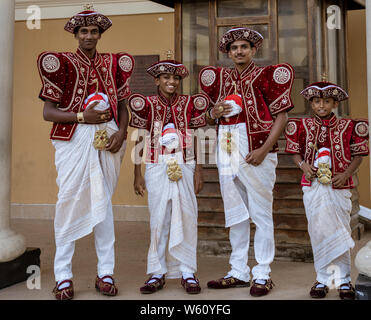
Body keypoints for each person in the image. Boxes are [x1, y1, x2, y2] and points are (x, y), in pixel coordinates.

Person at [36, 10, 134, 300]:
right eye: (84, 31)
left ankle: (105, 272)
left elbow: (124, 105)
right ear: (75, 34)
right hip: (74, 139)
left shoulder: (114, 63)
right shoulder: (62, 63)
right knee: (68, 203)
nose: (89, 36)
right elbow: (48, 112)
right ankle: (63, 276)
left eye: (94, 31)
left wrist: (122, 132)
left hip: (109, 139)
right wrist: (82, 116)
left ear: (100, 35)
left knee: (103, 206)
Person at [199, 27, 294, 297]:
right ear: (228, 53)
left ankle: (262, 273)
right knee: (236, 212)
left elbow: (282, 117)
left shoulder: (266, 76)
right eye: (234, 48)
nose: (238, 51)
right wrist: (212, 111)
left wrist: (264, 149)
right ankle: (238, 271)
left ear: (253, 50)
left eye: (244, 47)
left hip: (256, 150)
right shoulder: (219, 79)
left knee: (261, 213)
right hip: (226, 148)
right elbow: (206, 116)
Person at [128, 60, 209, 294]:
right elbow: (140, 138)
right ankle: (157, 272)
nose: (171, 82)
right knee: (159, 218)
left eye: (176, 78)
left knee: (186, 215)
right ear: (157, 80)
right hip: (155, 164)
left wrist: (199, 170)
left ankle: (187, 271)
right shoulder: (147, 104)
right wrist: (137, 174)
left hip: (186, 163)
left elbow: (196, 136)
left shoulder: (189, 103)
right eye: (166, 78)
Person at [284, 82, 369, 300]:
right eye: (317, 101)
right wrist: (303, 165)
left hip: (339, 187)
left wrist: (346, 174)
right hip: (313, 187)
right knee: (319, 231)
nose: (321, 105)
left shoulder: (349, 127)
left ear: (335, 103)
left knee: (340, 231)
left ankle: (343, 281)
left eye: (326, 101)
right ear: (311, 103)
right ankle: (322, 279)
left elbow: (358, 154)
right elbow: (295, 152)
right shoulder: (301, 126)